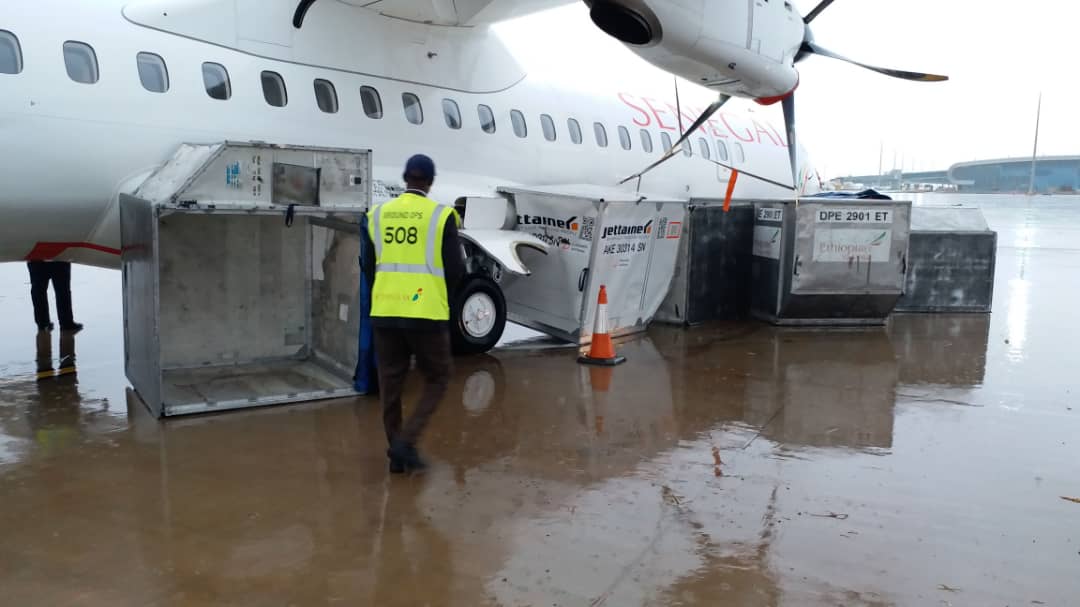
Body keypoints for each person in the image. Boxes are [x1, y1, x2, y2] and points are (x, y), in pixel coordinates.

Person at [361, 154, 464, 473]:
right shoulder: (441, 216)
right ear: (430, 182)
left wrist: (386, 292)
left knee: (391, 383)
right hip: (426, 313)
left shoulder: (377, 215)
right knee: (438, 377)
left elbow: (367, 264)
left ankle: (396, 451)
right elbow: (456, 270)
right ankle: (406, 443)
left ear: (405, 178)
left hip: (386, 310)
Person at [27, 261, 82, 333]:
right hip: (59, 259)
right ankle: (66, 323)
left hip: (37, 258)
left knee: (39, 290)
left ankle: (43, 323)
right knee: (63, 291)